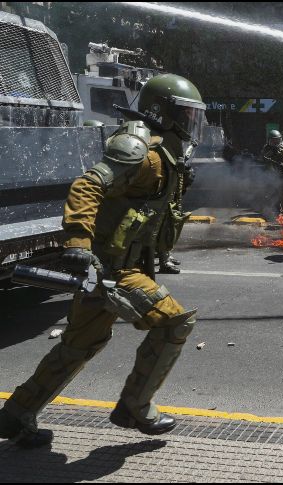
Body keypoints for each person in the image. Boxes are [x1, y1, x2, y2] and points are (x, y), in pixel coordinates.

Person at [0, 74, 206, 447]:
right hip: (112, 269)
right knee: (174, 323)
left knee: (77, 346)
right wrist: (78, 242)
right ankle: (135, 407)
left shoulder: (166, 157)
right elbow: (88, 185)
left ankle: (15, 415)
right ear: (164, 113)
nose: (193, 125)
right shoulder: (142, 151)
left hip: (117, 267)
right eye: (187, 116)